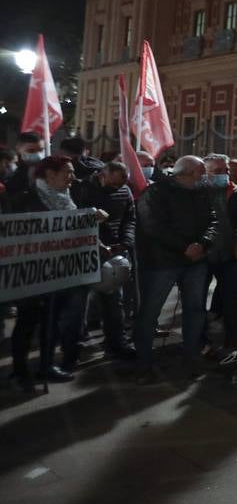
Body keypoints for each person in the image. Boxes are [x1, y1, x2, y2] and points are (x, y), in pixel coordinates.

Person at [5, 156, 104, 388]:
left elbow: (74, 230)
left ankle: (46, 365)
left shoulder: (69, 198)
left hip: (61, 273)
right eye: (67, 173)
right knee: (27, 322)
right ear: (49, 175)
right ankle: (20, 372)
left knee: (52, 322)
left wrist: (92, 219)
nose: (73, 177)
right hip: (31, 275)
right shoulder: (25, 199)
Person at [134, 155, 220, 383]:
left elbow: (213, 220)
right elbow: (153, 226)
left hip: (195, 261)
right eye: (201, 172)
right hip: (162, 262)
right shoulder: (156, 192)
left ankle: (191, 357)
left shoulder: (202, 192)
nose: (204, 176)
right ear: (186, 173)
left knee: (195, 310)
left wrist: (202, 244)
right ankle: (144, 364)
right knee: (150, 312)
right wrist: (185, 247)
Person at [75, 160, 138, 360]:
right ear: (103, 175)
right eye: (114, 184)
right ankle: (73, 347)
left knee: (114, 301)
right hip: (84, 251)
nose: (118, 188)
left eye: (122, 184)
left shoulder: (125, 191)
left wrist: (125, 242)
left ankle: (116, 344)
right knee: (78, 302)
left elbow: (130, 219)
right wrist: (95, 242)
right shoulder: (81, 189)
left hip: (114, 253)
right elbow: (73, 220)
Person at [197, 154, 237, 363]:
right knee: (196, 301)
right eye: (218, 171)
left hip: (230, 255)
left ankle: (233, 343)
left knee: (232, 302)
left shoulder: (236, 192)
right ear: (205, 172)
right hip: (202, 256)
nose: (224, 174)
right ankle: (200, 342)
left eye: (225, 170)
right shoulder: (196, 192)